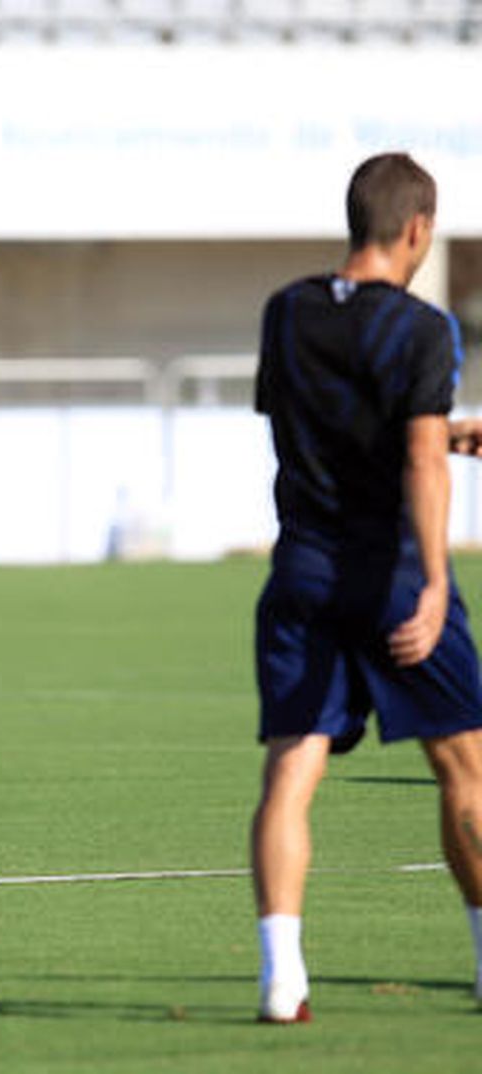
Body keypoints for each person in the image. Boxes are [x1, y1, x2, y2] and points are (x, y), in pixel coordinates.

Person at [250, 151, 482, 1024]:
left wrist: (441, 430)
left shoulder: (286, 313)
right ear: (418, 229)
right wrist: (432, 585)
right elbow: (416, 457)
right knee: (464, 768)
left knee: (290, 775)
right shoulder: (422, 331)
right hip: (388, 574)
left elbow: (323, 430)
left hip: (304, 572)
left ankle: (282, 978)